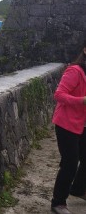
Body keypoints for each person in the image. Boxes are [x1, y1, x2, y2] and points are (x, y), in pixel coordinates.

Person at [51, 42, 86, 214]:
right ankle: (58, 202)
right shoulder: (75, 71)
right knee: (70, 163)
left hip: (82, 123)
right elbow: (58, 94)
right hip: (67, 123)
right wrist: (82, 100)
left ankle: (78, 189)